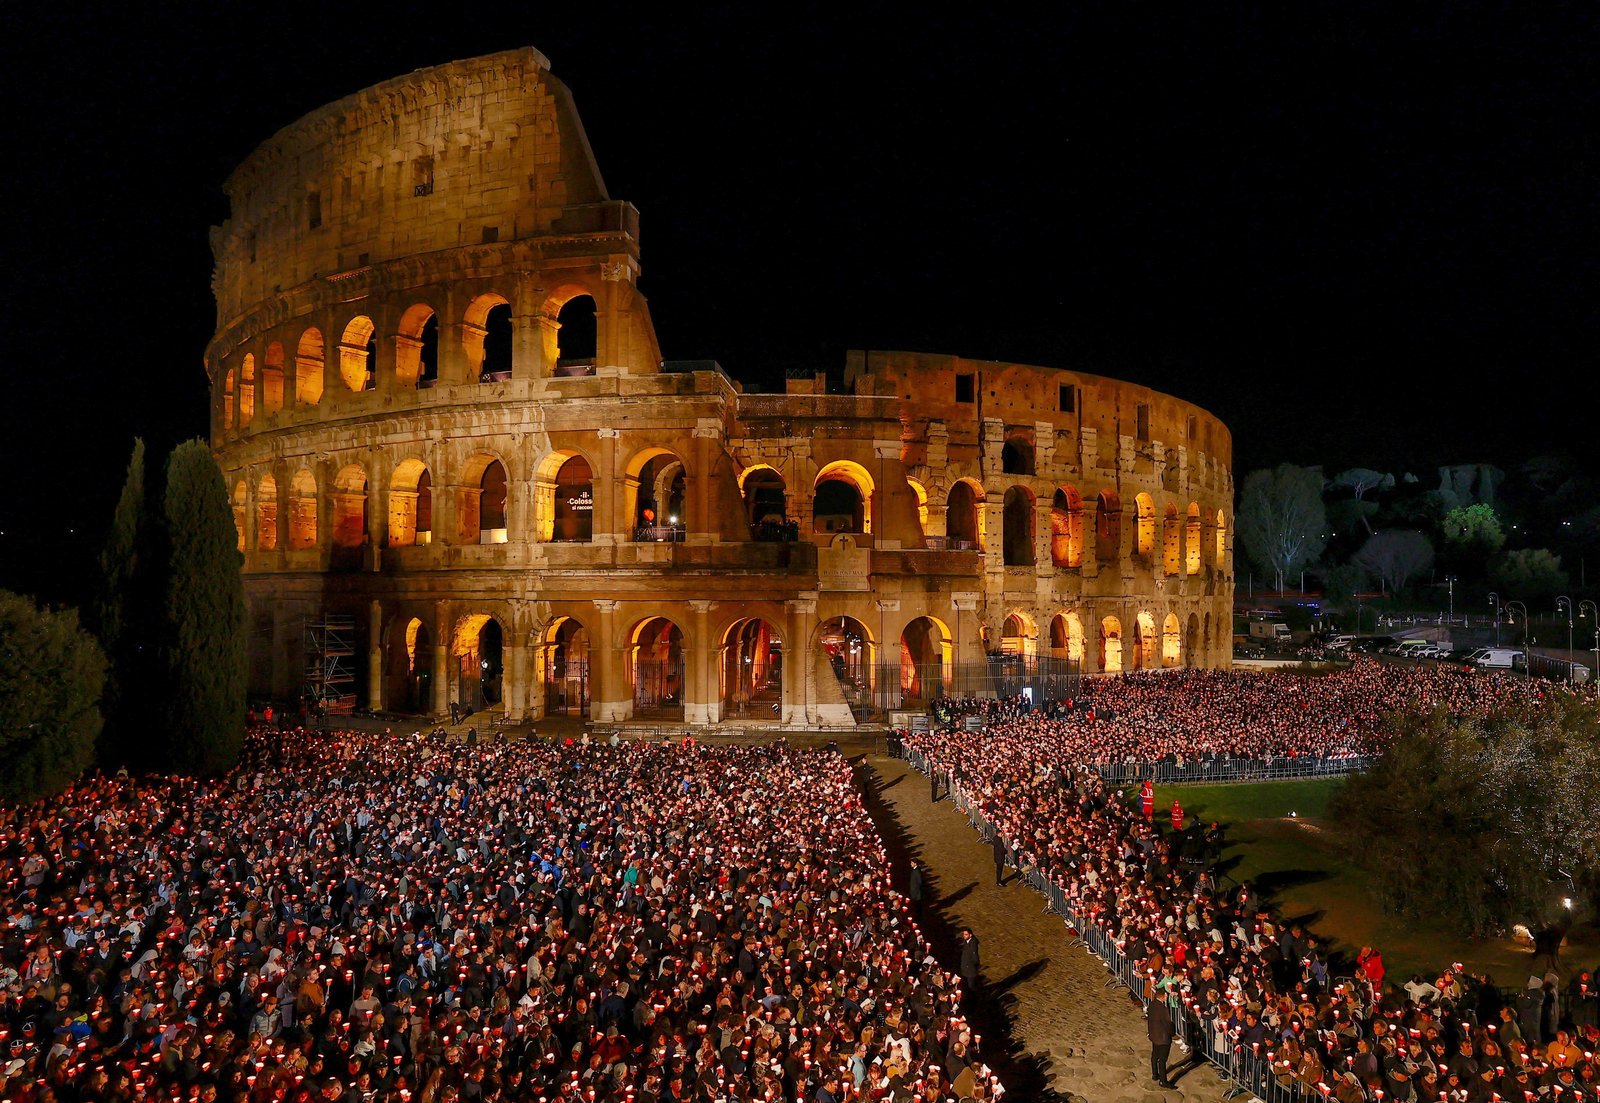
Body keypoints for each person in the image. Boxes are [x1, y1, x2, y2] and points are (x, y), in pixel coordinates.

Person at [1147, 993, 1176, 1087]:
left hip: (1154, 1035)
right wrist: (1172, 1033)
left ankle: (1155, 1074)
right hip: (1163, 1037)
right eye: (1165, 995)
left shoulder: (1152, 1004)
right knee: (1162, 1059)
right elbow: (1167, 1024)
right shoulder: (1163, 1009)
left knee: (1155, 1055)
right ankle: (1163, 1081)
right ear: (1162, 997)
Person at [959, 928, 980, 993]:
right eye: (963, 934)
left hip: (970, 969)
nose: (964, 936)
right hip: (965, 967)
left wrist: (974, 965)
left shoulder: (973, 944)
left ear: (970, 935)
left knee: (971, 986)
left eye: (966, 934)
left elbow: (975, 957)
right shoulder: (966, 941)